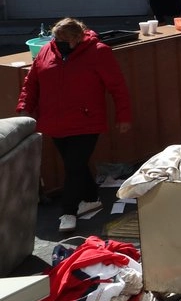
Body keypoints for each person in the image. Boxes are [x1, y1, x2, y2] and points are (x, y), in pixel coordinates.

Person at [16, 18, 132, 232]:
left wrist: (123, 116)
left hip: (86, 121)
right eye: (56, 38)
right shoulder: (46, 51)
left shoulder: (99, 52)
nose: (58, 42)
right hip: (54, 121)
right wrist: (24, 106)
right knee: (76, 165)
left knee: (73, 165)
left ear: (77, 38)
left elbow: (118, 87)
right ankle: (92, 198)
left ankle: (68, 211)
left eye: (64, 39)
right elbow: (31, 83)